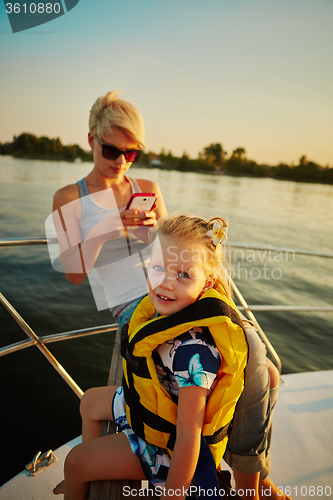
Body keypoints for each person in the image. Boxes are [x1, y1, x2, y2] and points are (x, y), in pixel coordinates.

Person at [53, 214, 249, 499]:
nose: (166, 284)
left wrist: (173, 494)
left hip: (166, 450)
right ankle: (83, 478)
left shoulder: (194, 353)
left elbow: (188, 438)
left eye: (183, 275)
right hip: (148, 409)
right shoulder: (162, 312)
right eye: (159, 268)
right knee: (89, 402)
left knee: (75, 460)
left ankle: (80, 473)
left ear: (207, 283)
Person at [52, 90, 167, 326]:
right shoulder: (69, 197)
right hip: (130, 303)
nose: (121, 162)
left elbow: (173, 254)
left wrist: (152, 237)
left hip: (171, 287)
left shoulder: (149, 188)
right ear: (92, 140)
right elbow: (73, 275)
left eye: (131, 153)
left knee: (242, 336)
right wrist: (98, 235)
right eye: (112, 151)